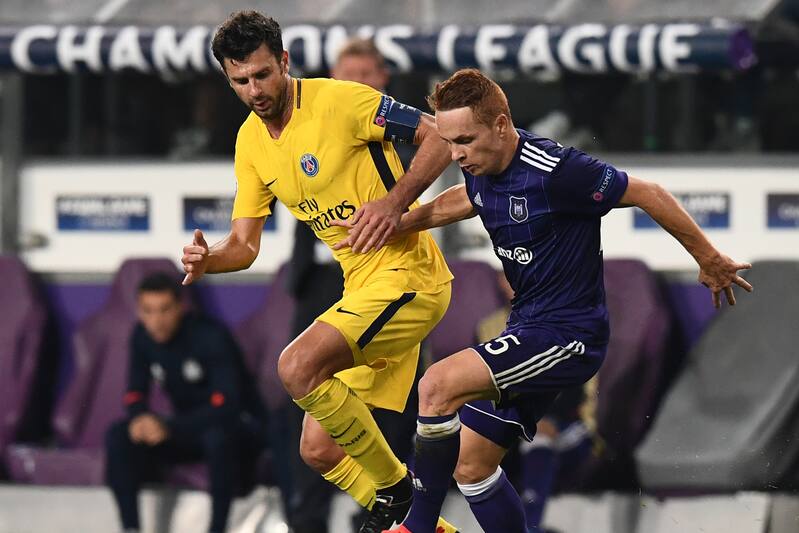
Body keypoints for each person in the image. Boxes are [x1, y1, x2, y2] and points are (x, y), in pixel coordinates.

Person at [332, 68, 754, 533]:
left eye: (465, 140)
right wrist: (399, 222)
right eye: (449, 142)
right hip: (526, 328)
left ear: (501, 124)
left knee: (435, 386)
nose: (456, 154)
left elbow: (649, 193)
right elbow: (465, 198)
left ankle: (416, 526)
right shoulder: (480, 165)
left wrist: (710, 259)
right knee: (471, 465)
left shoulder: (558, 171)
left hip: (568, 335)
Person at [181, 11, 458, 533]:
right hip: (364, 287)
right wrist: (210, 259)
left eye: (263, 74)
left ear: (284, 62)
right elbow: (244, 245)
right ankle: (427, 526)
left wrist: (394, 204)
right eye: (240, 81)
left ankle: (399, 496)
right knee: (317, 447)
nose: (254, 89)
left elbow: (441, 137)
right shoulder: (250, 143)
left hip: (409, 277)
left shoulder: (341, 100)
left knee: (295, 367)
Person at [282, 37, 423, 533]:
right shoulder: (298, 130)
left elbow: (441, 151)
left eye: (366, 75)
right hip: (326, 286)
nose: (356, 85)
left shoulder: (399, 137)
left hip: (395, 282)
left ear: (383, 81)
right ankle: (312, 521)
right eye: (347, 75)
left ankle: (394, 517)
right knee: (309, 420)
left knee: (395, 421)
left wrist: (396, 207)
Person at [105, 272, 270, 533]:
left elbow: (227, 405)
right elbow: (135, 392)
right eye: (147, 311)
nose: (156, 321)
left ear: (180, 307)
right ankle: (130, 528)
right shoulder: (141, 337)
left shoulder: (210, 335)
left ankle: (217, 528)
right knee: (118, 435)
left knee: (217, 438)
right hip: (184, 429)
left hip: (234, 429)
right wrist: (140, 417)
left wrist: (170, 427)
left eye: (164, 310)